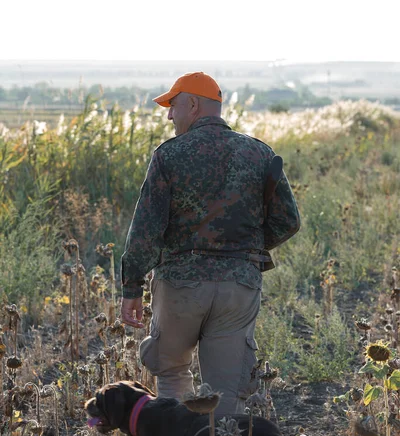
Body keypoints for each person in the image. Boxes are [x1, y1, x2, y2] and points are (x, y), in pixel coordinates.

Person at [120, 71, 299, 417]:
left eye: (172, 105)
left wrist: (131, 288)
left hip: (181, 287)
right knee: (227, 396)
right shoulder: (259, 153)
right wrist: (247, 250)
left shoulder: (169, 156)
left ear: (192, 104)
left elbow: (146, 229)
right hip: (239, 287)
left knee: (171, 375)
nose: (169, 115)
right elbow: (288, 221)